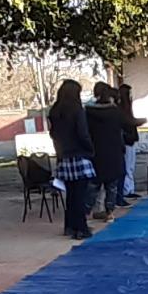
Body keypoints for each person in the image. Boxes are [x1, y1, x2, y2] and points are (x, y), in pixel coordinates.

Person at [48, 78, 96, 239]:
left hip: (64, 156)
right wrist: (90, 149)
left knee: (71, 194)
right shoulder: (77, 110)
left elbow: (53, 134)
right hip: (79, 155)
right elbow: (83, 133)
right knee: (80, 195)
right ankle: (81, 228)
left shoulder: (55, 111)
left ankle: (70, 226)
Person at [85, 81, 132, 219]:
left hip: (96, 153)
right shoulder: (115, 112)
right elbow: (128, 123)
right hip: (114, 152)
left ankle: (86, 212)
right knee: (111, 185)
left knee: (93, 186)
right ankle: (109, 212)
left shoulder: (88, 112)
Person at [118, 83, 147, 200]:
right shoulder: (122, 108)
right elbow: (129, 122)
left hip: (130, 139)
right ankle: (127, 190)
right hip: (127, 141)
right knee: (128, 166)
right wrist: (141, 121)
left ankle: (129, 189)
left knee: (130, 166)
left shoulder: (126, 107)